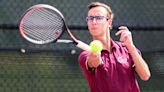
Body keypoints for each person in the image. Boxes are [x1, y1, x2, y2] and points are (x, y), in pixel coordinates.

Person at [78, 2, 151, 92]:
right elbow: (93, 62)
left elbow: (145, 75)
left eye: (99, 18)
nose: (94, 22)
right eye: (90, 18)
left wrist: (131, 47)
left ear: (109, 22)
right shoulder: (85, 55)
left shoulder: (127, 49)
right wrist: (95, 55)